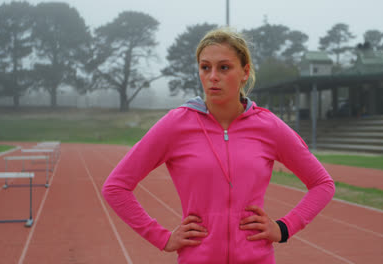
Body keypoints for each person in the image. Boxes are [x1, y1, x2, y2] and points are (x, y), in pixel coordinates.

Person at [102, 27, 335, 264]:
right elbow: (116, 187)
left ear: (245, 72)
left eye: (224, 67)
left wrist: (284, 228)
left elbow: (322, 184)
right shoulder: (176, 124)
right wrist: (162, 238)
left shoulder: (268, 126)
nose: (213, 76)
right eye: (205, 67)